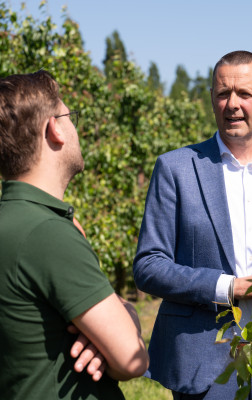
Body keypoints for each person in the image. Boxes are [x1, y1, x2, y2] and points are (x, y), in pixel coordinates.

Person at [133, 50, 252, 399]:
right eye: (223, 94)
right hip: (205, 365)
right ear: (212, 99)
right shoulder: (176, 169)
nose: (232, 104)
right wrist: (230, 288)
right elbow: (149, 266)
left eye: (244, 94)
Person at [0, 70, 149, 400]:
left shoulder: (15, 221)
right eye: (71, 117)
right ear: (54, 129)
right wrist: (126, 314)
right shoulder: (48, 233)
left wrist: (101, 335)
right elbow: (132, 360)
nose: (75, 128)